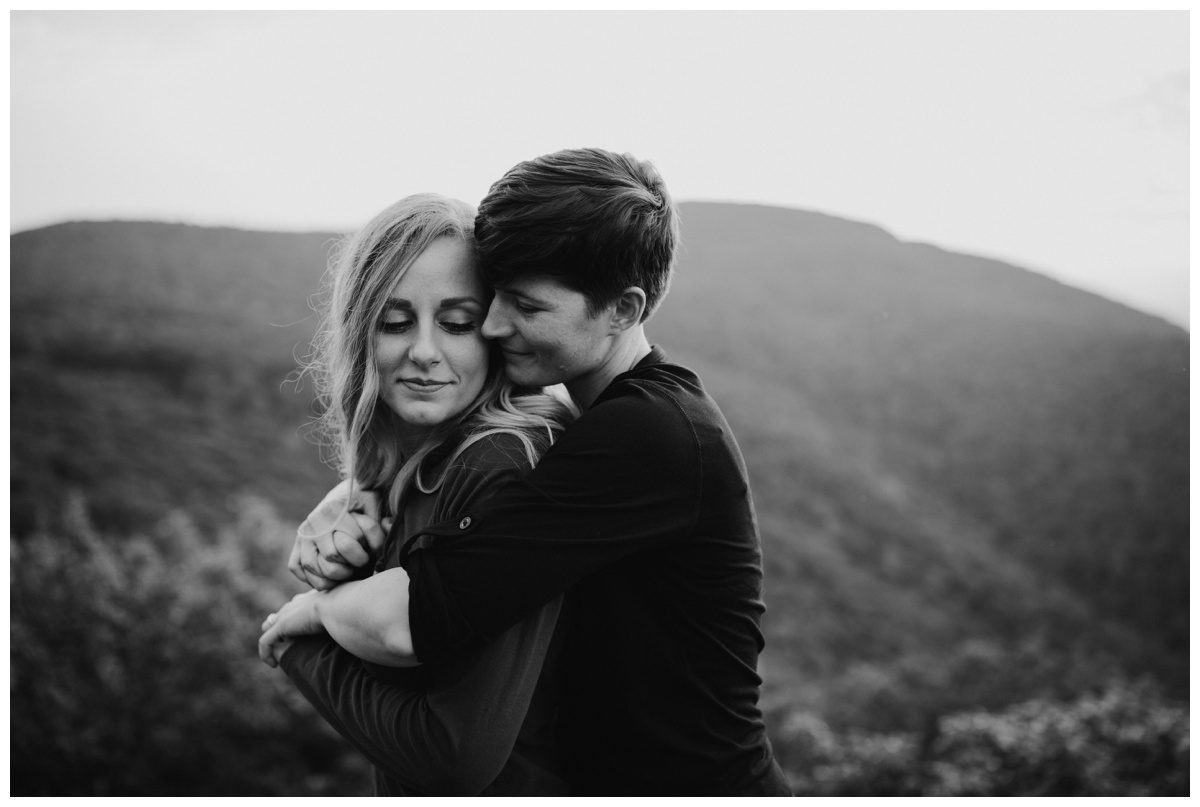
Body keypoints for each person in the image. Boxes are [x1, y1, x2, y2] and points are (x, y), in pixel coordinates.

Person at [268, 148, 792, 795]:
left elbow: (417, 617)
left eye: (523, 305)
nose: (492, 325)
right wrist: (363, 491)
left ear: (623, 311)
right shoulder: (606, 413)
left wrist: (308, 623)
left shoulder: (644, 435)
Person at [257, 193, 577, 795]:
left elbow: (455, 756)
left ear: (496, 334)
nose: (425, 351)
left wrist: (304, 642)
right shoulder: (421, 467)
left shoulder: (499, 465)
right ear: (360, 335)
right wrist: (363, 489)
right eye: (396, 321)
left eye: (457, 323)